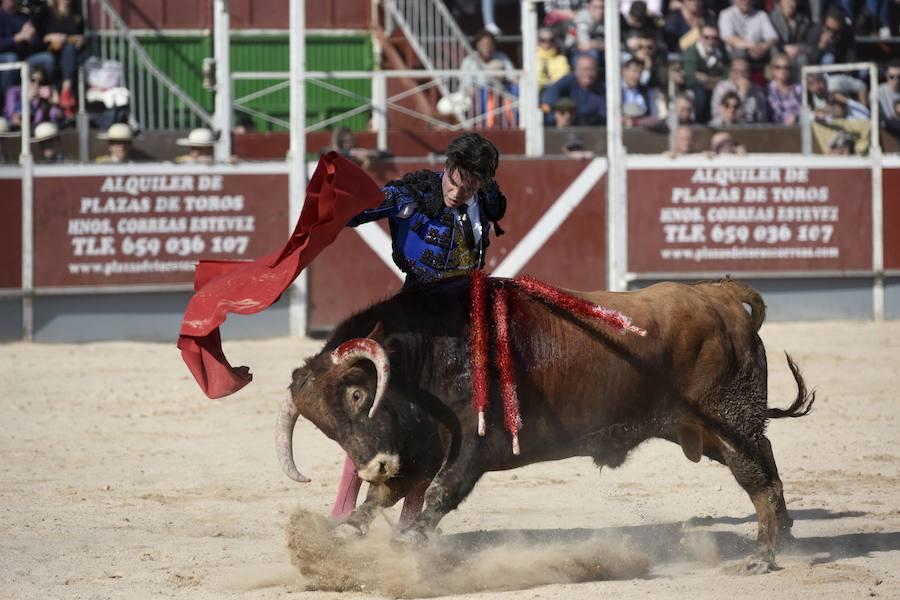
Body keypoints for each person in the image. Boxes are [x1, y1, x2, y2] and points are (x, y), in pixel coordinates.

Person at [333, 133, 508, 528]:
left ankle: (410, 522)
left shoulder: (486, 199)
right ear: (446, 168)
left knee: (441, 425)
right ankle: (343, 508)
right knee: (377, 408)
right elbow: (350, 214)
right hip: (414, 315)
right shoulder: (411, 195)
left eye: (469, 186)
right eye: (453, 180)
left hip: (463, 320)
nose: (457, 192)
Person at [0, 0, 54, 95]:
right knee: (11, 58)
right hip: (4, 58)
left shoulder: (23, 17)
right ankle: (8, 98)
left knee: (47, 58)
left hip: (24, 58)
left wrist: (32, 38)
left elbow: (37, 45)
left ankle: (43, 94)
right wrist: (17, 38)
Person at [41, 0, 84, 119]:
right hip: (52, 51)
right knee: (68, 54)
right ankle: (66, 94)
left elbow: (82, 36)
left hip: (71, 52)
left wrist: (78, 39)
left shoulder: (76, 15)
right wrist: (52, 37)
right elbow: (41, 37)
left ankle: (66, 91)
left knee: (70, 50)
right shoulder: (48, 12)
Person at [540, 53, 607, 126]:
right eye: (584, 69)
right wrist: (559, 113)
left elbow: (604, 115)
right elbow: (550, 95)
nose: (588, 74)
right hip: (566, 129)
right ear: (576, 70)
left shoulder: (602, 89)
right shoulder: (568, 81)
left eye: (592, 69)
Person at [683, 22, 729, 123]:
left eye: (714, 38)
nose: (711, 41)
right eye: (707, 37)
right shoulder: (691, 52)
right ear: (700, 37)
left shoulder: (721, 53)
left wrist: (707, 79)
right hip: (695, 91)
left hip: (716, 90)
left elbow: (727, 77)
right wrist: (715, 80)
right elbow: (690, 78)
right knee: (699, 95)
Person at [718, 0, 778, 64]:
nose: (746, 1)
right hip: (737, 51)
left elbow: (773, 37)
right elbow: (728, 38)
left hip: (760, 50)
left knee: (774, 50)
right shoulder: (726, 14)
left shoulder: (761, 15)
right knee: (741, 52)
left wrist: (763, 47)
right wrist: (753, 46)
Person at [711, 57, 768, 123]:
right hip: (726, 125)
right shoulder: (721, 88)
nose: (740, 74)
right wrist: (741, 94)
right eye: (736, 71)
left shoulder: (757, 90)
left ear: (749, 73)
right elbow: (716, 114)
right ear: (730, 72)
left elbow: (762, 117)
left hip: (750, 127)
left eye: (744, 71)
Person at [768, 0, 811, 72]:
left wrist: (798, 48)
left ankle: (800, 82)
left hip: (796, 51)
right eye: (787, 1)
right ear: (781, 2)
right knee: (774, 51)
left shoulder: (803, 20)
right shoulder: (772, 18)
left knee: (803, 58)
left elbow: (807, 41)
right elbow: (771, 39)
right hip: (779, 48)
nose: (790, 4)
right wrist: (784, 47)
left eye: (793, 1)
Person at [766, 53, 802, 125]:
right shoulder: (767, 90)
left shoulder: (798, 88)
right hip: (776, 129)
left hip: (798, 127)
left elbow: (804, 109)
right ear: (772, 70)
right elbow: (774, 112)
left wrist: (796, 116)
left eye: (786, 68)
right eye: (778, 67)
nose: (783, 70)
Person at [536, 27, 570, 92]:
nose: (547, 43)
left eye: (551, 40)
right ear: (538, 41)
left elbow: (563, 77)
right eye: (543, 40)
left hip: (554, 91)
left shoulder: (561, 59)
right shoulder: (532, 58)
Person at [877, 59, 900, 126]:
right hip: (889, 130)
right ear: (886, 75)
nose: (896, 80)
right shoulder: (878, 92)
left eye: (899, 77)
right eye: (892, 77)